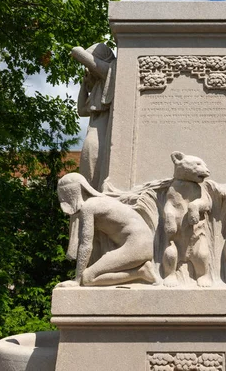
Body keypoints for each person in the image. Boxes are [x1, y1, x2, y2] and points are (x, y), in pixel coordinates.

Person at [56, 173, 159, 287]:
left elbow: (86, 244)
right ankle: (142, 271)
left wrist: (77, 280)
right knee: (90, 276)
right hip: (143, 244)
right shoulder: (101, 200)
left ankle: (141, 272)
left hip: (137, 246)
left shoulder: (88, 207)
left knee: (87, 279)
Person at [71, 43, 116, 190]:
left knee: (93, 170)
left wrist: (89, 61)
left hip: (100, 135)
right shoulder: (99, 86)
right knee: (87, 170)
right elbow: (82, 110)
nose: (89, 70)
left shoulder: (110, 71)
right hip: (93, 131)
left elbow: (76, 52)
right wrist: (84, 84)